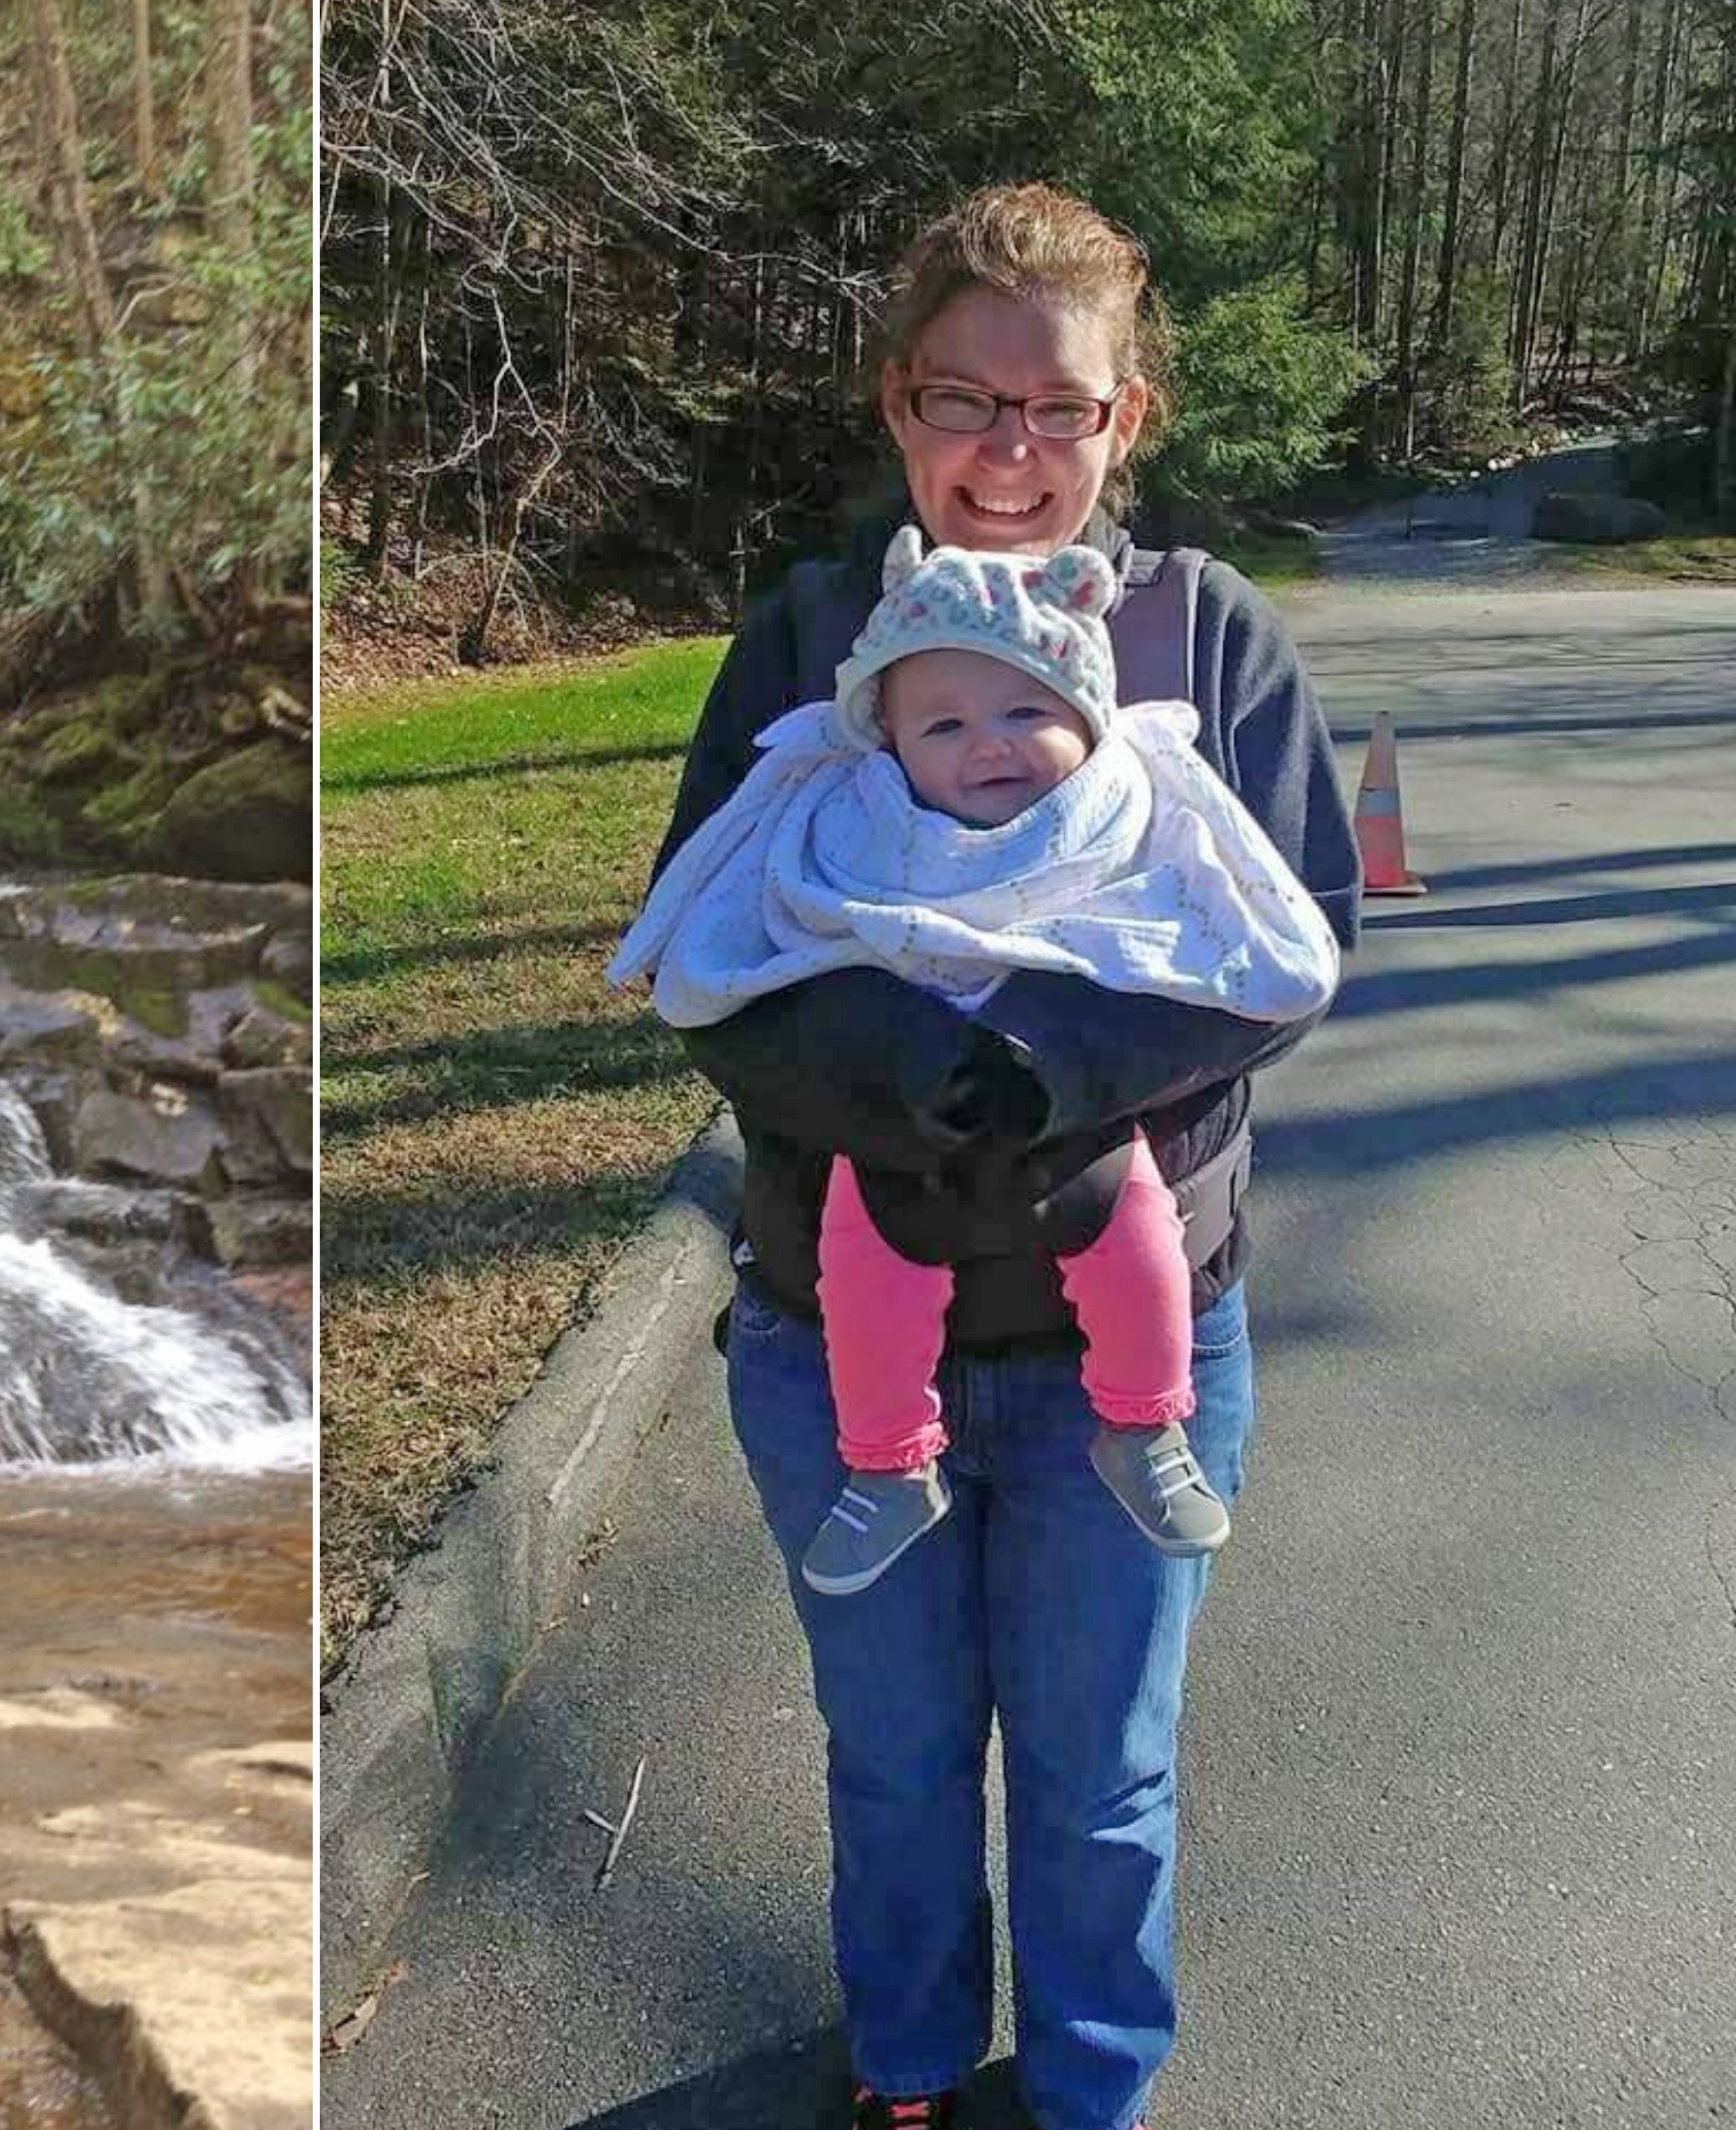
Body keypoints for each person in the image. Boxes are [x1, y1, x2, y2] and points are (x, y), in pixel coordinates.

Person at [645, 182, 1361, 2130]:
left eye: (1060, 407)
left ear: (1127, 420)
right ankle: (903, 2067)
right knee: (888, 1763)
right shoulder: (812, 634)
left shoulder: (1203, 633)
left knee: (1101, 1771)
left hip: (1135, 1346)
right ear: (901, 402)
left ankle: (1087, 2089)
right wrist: (900, 1073)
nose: (1012, 451)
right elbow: (709, 942)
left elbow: (1293, 935)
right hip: (833, 1338)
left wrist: (1047, 1069)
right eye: (967, 399)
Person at [613, 534, 1340, 1598]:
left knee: (1138, 1238)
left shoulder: (1143, 786)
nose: (989, 746)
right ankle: (887, 1462)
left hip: (1088, 1146)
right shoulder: (841, 800)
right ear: (885, 739)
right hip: (889, 1146)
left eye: (1027, 712)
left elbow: (1244, 941)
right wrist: (893, 1059)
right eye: (944, 726)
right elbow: (735, 944)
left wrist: (1061, 1059)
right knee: (865, 1263)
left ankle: (1145, 1423)